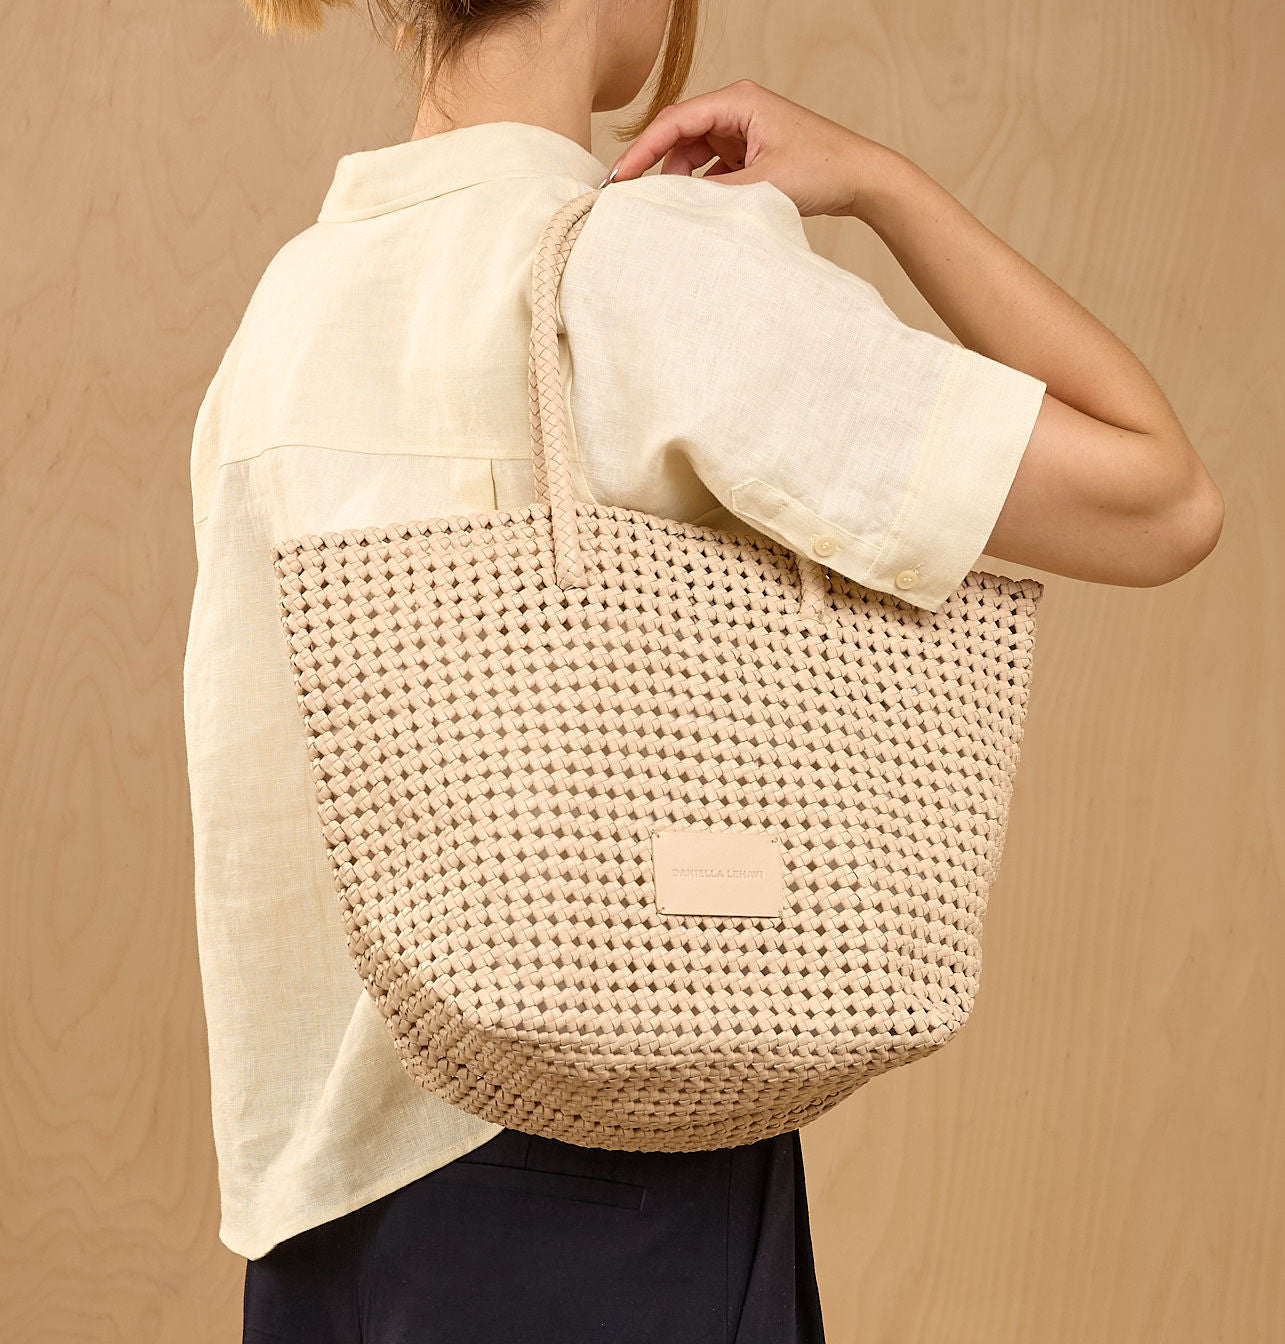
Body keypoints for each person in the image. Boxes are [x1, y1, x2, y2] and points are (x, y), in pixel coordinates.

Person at [184, 2, 1224, 1341]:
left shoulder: (293, 303)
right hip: (599, 1182)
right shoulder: (649, 271)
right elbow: (1160, 500)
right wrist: (882, 185)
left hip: (317, 1220)